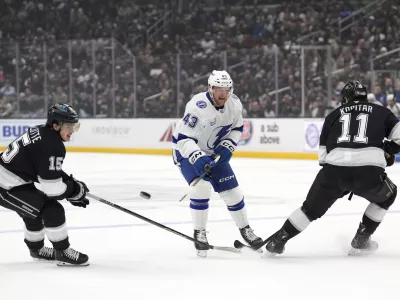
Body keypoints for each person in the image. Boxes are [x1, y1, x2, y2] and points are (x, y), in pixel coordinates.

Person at [264, 80, 400, 256]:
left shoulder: (333, 115)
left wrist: (339, 183)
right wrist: (388, 151)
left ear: (346, 98)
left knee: (309, 210)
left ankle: (278, 240)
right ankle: (361, 239)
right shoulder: (382, 112)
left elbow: (322, 158)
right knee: (387, 196)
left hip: (334, 171)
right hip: (369, 172)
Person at [172, 70, 262, 257]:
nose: (223, 93)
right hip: (187, 151)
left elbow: (237, 128)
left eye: (226, 89)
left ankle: (245, 229)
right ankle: (200, 232)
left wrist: (228, 146)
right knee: (201, 188)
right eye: (218, 89)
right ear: (210, 88)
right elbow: (183, 138)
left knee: (233, 193)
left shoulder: (235, 104)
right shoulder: (197, 106)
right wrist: (198, 157)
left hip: (213, 152)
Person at [0, 103, 90, 266]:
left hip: (13, 180)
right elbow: (53, 190)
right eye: (69, 126)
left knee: (32, 211)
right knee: (52, 210)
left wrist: (71, 185)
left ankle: (37, 250)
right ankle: (62, 252)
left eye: (75, 125)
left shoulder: (42, 131)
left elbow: (46, 170)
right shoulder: (52, 145)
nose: (72, 131)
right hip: (5, 186)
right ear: (56, 126)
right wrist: (74, 190)